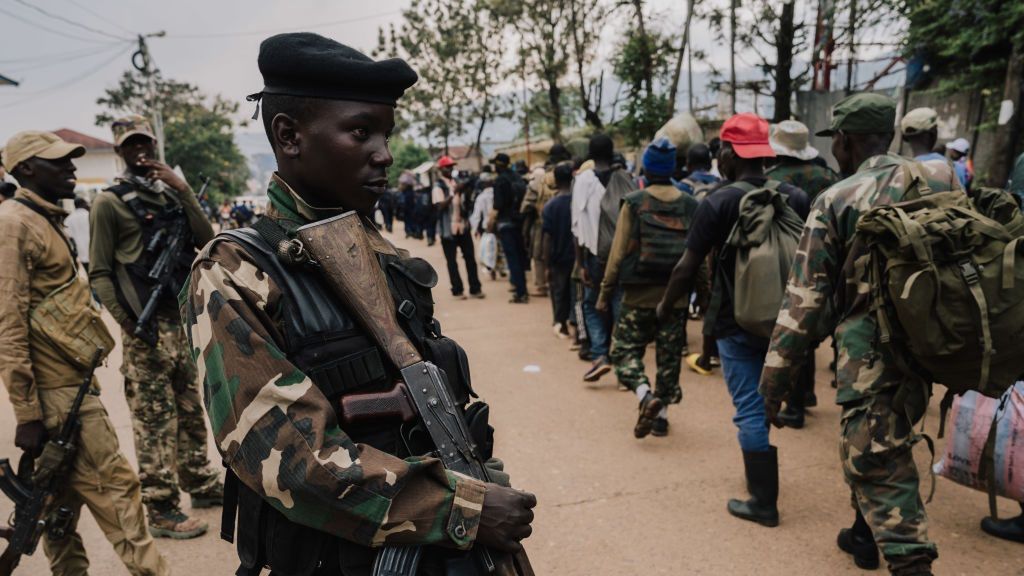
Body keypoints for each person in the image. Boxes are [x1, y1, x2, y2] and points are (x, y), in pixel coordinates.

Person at [183, 32, 536, 575]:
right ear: (289, 136)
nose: (385, 154)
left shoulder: (372, 249)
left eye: (386, 133)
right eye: (361, 131)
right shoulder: (234, 272)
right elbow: (287, 458)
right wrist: (457, 509)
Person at [760, 93, 963, 576]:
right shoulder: (943, 178)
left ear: (848, 141)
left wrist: (773, 385)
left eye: (838, 144)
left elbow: (802, 304)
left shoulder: (840, 198)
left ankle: (909, 561)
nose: (836, 153)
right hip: (933, 341)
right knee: (883, 439)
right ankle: (861, 535)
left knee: (877, 458)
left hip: (870, 353)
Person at [0, 130, 169, 575]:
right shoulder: (14, 224)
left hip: (72, 384)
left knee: (59, 508)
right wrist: (27, 412)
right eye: (60, 162)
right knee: (120, 493)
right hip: (58, 396)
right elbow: (9, 324)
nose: (72, 169)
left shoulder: (44, 218)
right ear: (26, 170)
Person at [658, 113, 810, 529]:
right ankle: (759, 466)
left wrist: (667, 306)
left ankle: (763, 501)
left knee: (748, 409)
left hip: (734, 322)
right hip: (788, 322)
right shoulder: (794, 197)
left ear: (727, 152)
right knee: (770, 398)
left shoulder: (718, 201)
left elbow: (687, 268)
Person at [89, 114, 222, 539]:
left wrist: (182, 191)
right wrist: (128, 323)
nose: (140, 151)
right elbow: (100, 272)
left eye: (145, 142)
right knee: (153, 418)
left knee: (189, 408)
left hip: (180, 321)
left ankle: (200, 481)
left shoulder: (170, 194)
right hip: (145, 326)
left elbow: (207, 240)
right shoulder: (109, 202)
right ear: (118, 151)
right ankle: (161, 506)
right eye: (131, 145)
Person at [601, 138, 696, 438]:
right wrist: (703, 295)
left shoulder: (634, 201)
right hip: (676, 297)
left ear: (647, 167)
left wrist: (605, 294)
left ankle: (645, 395)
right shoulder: (689, 203)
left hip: (637, 295)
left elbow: (617, 255)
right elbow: (700, 258)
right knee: (668, 358)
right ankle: (662, 417)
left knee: (623, 351)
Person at [763, 119, 840, 428]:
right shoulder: (829, 177)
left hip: (785, 263)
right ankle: (806, 393)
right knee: (811, 331)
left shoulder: (771, 181)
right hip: (829, 260)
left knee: (792, 328)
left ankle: (793, 405)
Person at [572, 133, 634, 382]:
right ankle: (624, 363)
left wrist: (580, 264)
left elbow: (576, 225)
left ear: (590, 154)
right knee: (620, 306)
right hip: (623, 255)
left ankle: (600, 355)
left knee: (591, 304)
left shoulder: (583, 180)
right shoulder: (624, 178)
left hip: (595, 256)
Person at [434, 156, 483, 299]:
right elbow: (439, 207)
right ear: (441, 169)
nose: (450, 169)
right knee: (452, 261)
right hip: (448, 229)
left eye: (451, 167)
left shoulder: (458, 183)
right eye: (447, 167)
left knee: (470, 258)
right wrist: (454, 192)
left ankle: (475, 289)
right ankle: (457, 290)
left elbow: (466, 204)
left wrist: (465, 190)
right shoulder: (439, 186)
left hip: (463, 226)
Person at [542, 163, 576, 338]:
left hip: (558, 257)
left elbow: (547, 238)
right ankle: (576, 325)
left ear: (555, 180)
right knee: (576, 293)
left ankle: (560, 323)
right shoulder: (577, 201)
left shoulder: (550, 206)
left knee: (559, 292)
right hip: (577, 256)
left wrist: (546, 264)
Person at [493, 152, 530, 303]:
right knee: (520, 258)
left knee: (513, 259)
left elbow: (498, 205)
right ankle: (521, 287)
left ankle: (521, 292)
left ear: (497, 165)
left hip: (505, 223)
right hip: (519, 222)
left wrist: (491, 222)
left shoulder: (500, 181)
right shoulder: (517, 177)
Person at [65, 196, 91, 273]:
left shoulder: (69, 219)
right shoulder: (90, 215)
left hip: (80, 254)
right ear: (84, 204)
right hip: (94, 252)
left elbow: (68, 236)